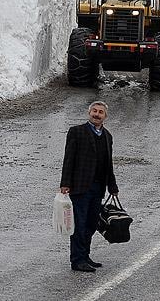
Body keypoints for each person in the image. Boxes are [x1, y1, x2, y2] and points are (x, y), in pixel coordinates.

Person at [60, 101, 120, 273]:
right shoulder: (76, 132)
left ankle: (85, 256)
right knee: (79, 224)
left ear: (105, 117)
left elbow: (109, 164)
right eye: (94, 111)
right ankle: (77, 260)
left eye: (100, 112)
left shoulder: (107, 136)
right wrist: (65, 183)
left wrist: (112, 187)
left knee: (92, 224)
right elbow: (69, 159)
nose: (97, 114)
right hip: (80, 187)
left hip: (98, 188)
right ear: (89, 113)